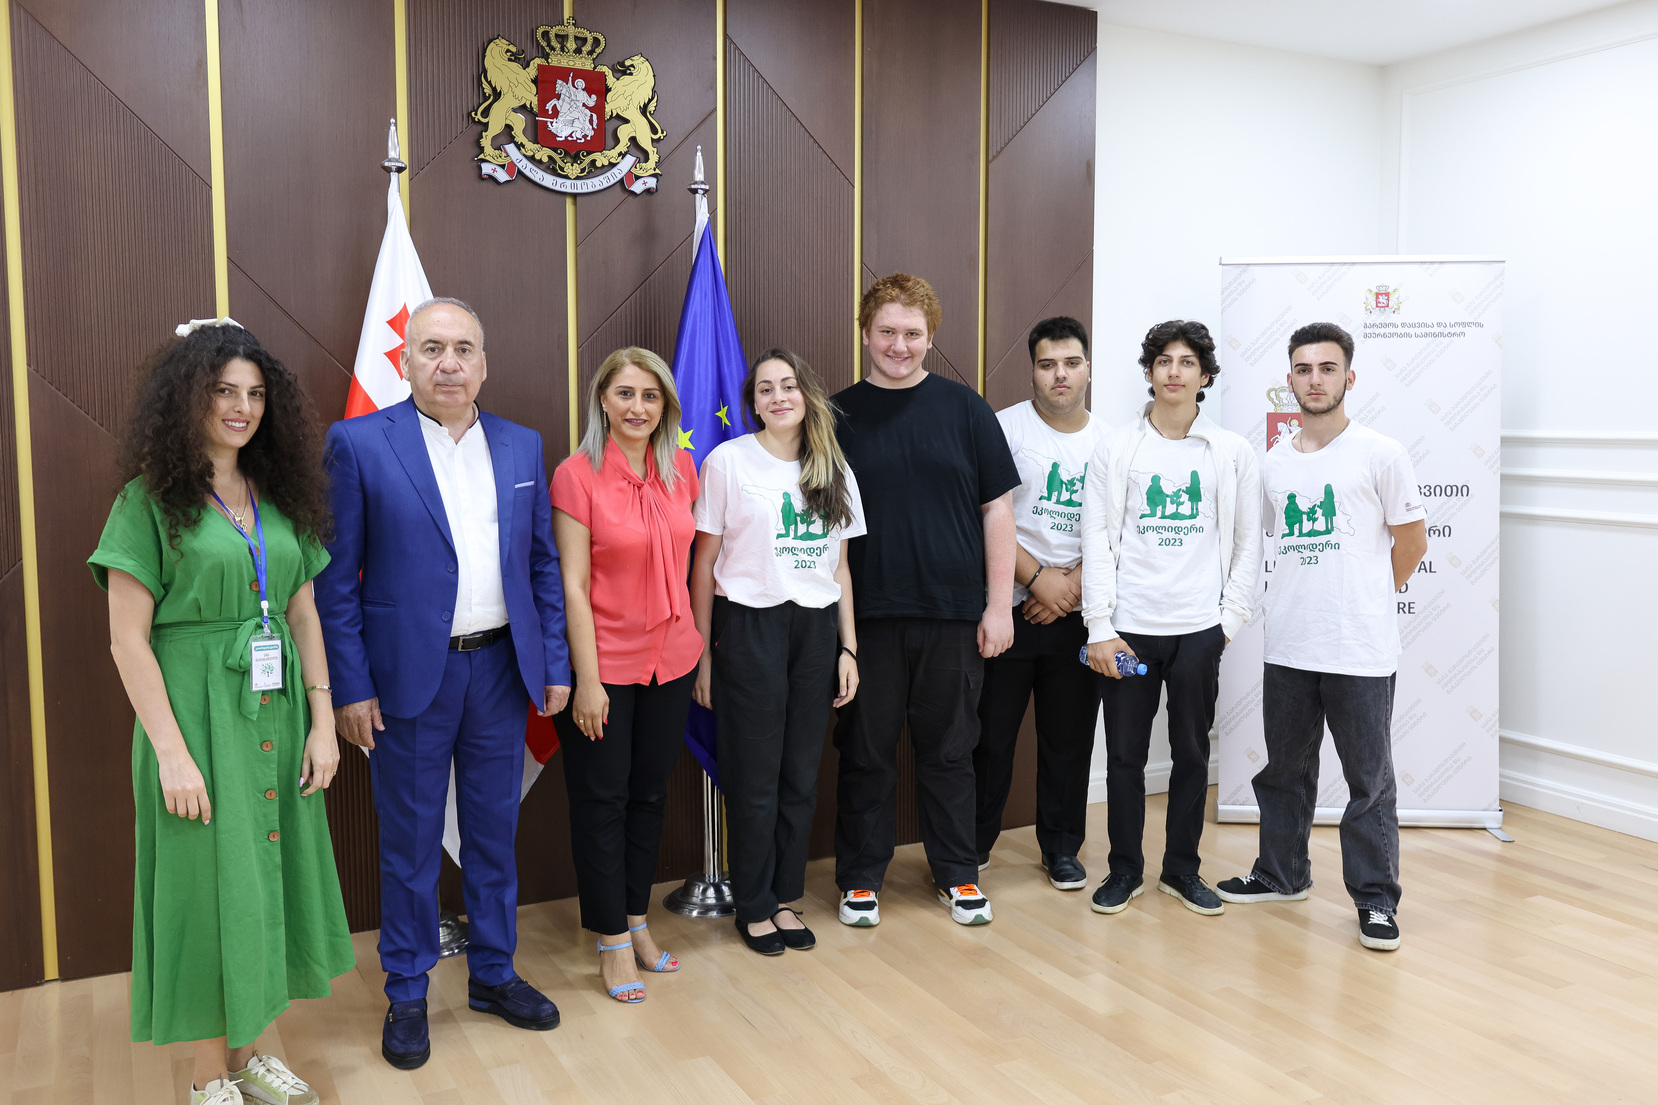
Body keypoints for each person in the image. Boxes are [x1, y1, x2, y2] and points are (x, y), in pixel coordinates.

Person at [90, 319, 353, 1105]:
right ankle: (210, 1074)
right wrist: (171, 753)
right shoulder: (147, 501)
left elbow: (303, 613)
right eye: (224, 391)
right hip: (195, 723)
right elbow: (127, 641)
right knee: (206, 889)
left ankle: (252, 1050)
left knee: (264, 876)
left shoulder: (280, 496)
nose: (242, 407)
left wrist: (322, 721)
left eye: (256, 393)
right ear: (188, 398)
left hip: (274, 717)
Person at [315, 298, 570, 1069]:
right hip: (406, 680)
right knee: (411, 846)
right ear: (406, 361)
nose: (449, 363)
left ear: (484, 363)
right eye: (431, 348)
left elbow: (542, 564)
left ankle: (493, 973)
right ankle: (407, 991)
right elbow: (336, 582)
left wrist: (554, 663)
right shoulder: (360, 443)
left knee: (493, 835)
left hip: (500, 672)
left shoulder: (522, 444)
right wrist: (351, 687)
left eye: (463, 348)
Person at [1215, 322, 1428, 952]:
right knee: (1284, 771)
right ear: (1290, 379)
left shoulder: (1381, 453)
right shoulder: (1274, 462)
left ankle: (1376, 900)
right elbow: (1270, 543)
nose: (1315, 380)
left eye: (1328, 368)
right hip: (1288, 645)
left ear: (1349, 377)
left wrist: (1364, 600)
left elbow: (1412, 543)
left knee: (1369, 782)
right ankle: (1281, 875)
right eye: (1304, 369)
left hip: (1360, 649)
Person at [831, 273, 1020, 927]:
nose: (899, 345)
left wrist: (1000, 606)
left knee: (951, 752)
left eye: (912, 333)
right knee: (865, 753)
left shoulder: (967, 410)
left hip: (954, 615)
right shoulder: (833, 416)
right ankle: (860, 878)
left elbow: (997, 511)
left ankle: (957, 874)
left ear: (931, 337)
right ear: (865, 334)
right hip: (866, 618)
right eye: (887, 331)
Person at [1079, 319, 1261, 918]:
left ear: (1205, 376)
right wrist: (1100, 627)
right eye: (1164, 361)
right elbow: (1097, 539)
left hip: (1198, 632)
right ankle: (1124, 870)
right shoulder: (1116, 449)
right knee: (1124, 758)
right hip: (1128, 632)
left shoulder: (1230, 452)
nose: (1174, 372)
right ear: (1150, 372)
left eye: (1187, 362)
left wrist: (1227, 624)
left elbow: (1247, 543)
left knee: (1191, 756)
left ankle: (1182, 870)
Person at [690, 348, 864, 955]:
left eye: (788, 385)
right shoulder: (728, 462)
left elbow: (840, 568)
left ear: (807, 395)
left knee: (799, 775)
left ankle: (785, 896)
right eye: (765, 389)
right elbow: (704, 563)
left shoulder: (834, 468)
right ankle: (754, 904)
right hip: (749, 628)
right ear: (754, 404)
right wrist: (703, 656)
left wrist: (848, 648)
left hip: (814, 632)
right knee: (755, 776)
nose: (778, 397)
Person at [551, 347, 700, 1001]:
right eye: (625, 394)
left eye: (650, 395)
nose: (638, 407)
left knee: (649, 797)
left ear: (665, 406)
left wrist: (699, 648)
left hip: (672, 661)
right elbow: (573, 586)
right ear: (603, 402)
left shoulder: (682, 468)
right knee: (601, 801)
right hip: (606, 665)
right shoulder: (576, 475)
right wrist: (586, 680)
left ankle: (637, 919)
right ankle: (611, 940)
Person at [972, 316, 1108, 891]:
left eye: (1071, 363)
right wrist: (1037, 580)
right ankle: (970, 847)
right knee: (989, 738)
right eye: (1048, 364)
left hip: (1079, 615)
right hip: (1007, 610)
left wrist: (1068, 585)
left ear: (1087, 368)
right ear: (1032, 369)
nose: (1060, 375)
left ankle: (1062, 848)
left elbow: (1121, 529)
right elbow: (982, 513)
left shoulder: (1111, 441)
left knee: (1069, 741)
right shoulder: (1002, 428)